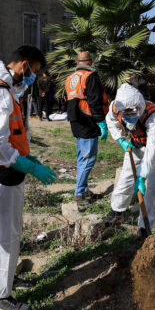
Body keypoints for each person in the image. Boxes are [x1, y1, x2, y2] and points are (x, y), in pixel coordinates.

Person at [0, 45, 57, 310]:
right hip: (4, 173)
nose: (34, 77)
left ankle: (6, 279)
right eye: (33, 71)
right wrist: (25, 165)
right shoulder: (0, 90)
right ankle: (0, 295)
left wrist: (26, 159)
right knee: (5, 235)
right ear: (23, 65)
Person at [106, 83, 155, 239]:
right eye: (126, 113)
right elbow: (110, 121)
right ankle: (117, 211)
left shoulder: (152, 115)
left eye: (132, 112)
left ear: (139, 106)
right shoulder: (115, 107)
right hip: (136, 145)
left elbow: (152, 148)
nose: (129, 116)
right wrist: (120, 139)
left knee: (153, 188)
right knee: (125, 178)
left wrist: (142, 176)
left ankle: (145, 227)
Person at [65, 51, 108, 205]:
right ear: (90, 62)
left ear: (78, 62)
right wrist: (101, 122)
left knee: (81, 158)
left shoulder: (71, 78)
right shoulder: (91, 76)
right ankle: (79, 194)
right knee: (88, 158)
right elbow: (95, 101)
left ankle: (83, 190)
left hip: (75, 121)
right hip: (88, 121)